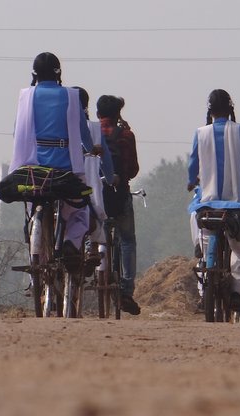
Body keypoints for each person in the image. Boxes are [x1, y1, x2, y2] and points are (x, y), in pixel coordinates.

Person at [9, 52, 95, 271]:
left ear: (34, 74)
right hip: (64, 169)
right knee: (80, 211)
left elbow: (16, 132)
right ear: (59, 73)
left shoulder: (26, 96)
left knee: (31, 212)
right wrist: (91, 148)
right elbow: (84, 134)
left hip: (32, 169)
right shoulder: (72, 96)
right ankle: (70, 243)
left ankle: (33, 272)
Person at [187, 89, 240, 313]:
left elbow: (193, 165)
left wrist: (191, 181)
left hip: (207, 203)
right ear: (231, 109)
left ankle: (204, 294)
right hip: (236, 203)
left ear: (209, 111)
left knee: (201, 240)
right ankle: (237, 294)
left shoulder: (200, 133)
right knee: (239, 251)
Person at [97, 95, 141, 315]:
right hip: (121, 196)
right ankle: (126, 290)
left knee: (96, 236)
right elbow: (133, 169)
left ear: (98, 114)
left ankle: (95, 272)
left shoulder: (92, 135)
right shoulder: (126, 135)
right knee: (128, 241)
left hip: (98, 200)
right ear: (118, 115)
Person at [73, 87, 115, 275]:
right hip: (89, 188)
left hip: (61, 182)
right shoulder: (95, 130)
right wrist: (111, 177)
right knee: (95, 210)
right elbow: (105, 160)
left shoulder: (62, 126)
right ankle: (93, 248)